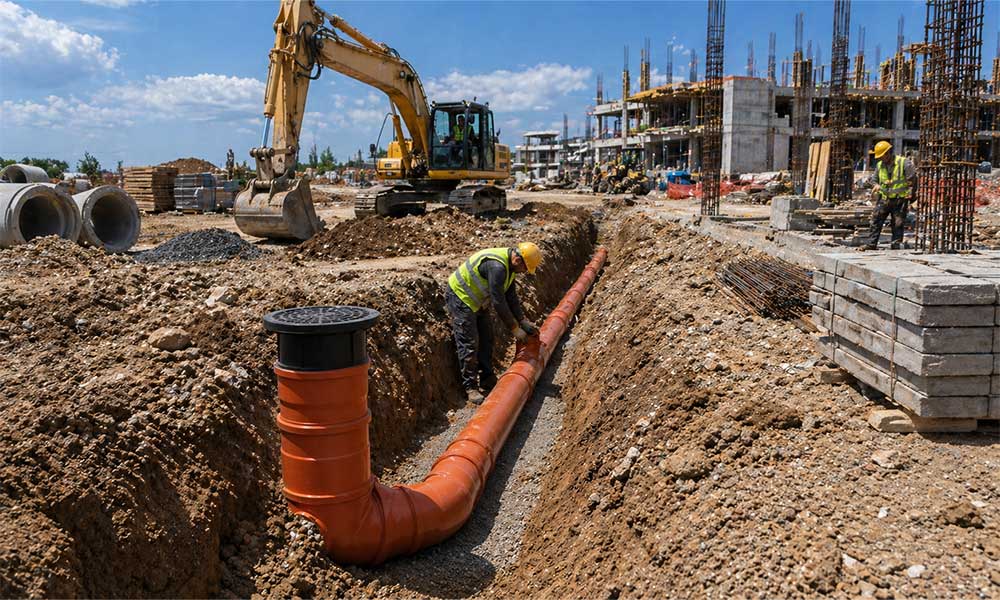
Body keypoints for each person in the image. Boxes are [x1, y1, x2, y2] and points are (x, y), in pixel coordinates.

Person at [446, 243, 543, 404]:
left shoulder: (510, 268)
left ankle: (487, 378)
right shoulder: (497, 267)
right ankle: (470, 387)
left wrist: (523, 321)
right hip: (461, 297)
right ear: (518, 260)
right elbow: (499, 302)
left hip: (478, 300)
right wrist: (515, 329)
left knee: (487, 338)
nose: (525, 272)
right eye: (525, 268)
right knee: (469, 343)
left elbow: (511, 297)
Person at [864, 141, 918, 250]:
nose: (880, 159)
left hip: (899, 200)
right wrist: (876, 185)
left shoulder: (904, 163)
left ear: (888, 153)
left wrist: (911, 198)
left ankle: (896, 245)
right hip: (884, 199)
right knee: (875, 220)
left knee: (897, 223)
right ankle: (871, 244)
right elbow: (874, 180)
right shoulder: (880, 165)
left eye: (882, 156)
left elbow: (913, 180)